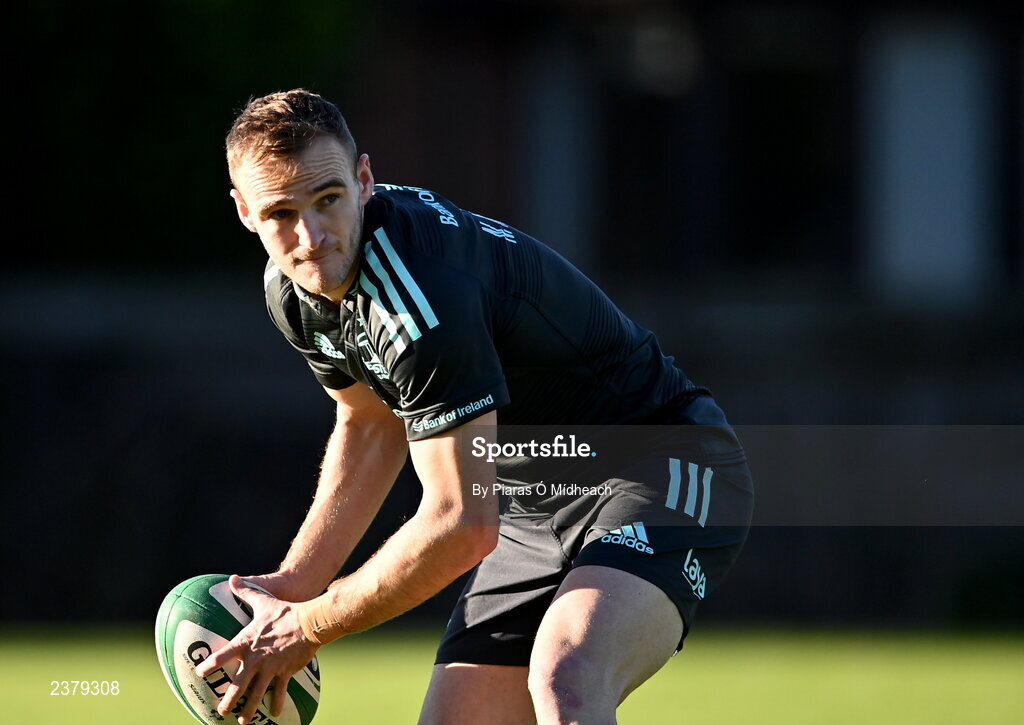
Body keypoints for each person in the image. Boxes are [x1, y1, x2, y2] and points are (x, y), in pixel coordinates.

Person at [196, 88, 753, 725]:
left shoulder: (421, 300)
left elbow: (461, 524)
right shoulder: (292, 290)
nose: (311, 237)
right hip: (533, 495)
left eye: (328, 200)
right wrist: (290, 586)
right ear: (244, 212)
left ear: (364, 179)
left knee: (568, 676)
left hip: (659, 461)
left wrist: (307, 627)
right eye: (281, 214)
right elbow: (372, 421)